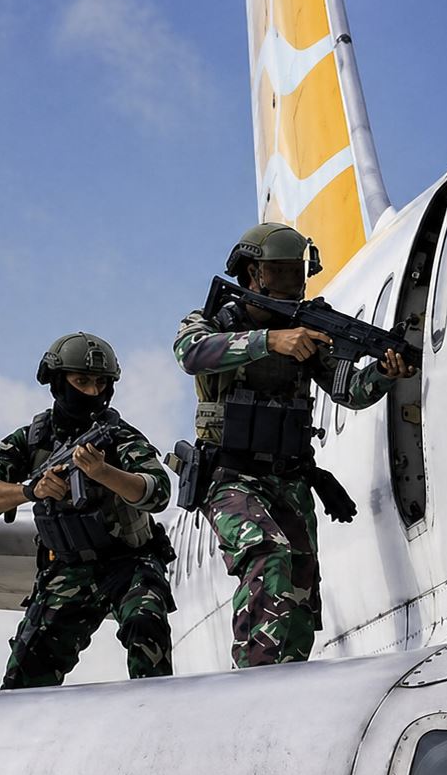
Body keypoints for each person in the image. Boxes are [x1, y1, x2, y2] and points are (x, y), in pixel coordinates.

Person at [174, 223, 416, 668]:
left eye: (296, 273)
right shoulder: (217, 322)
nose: (292, 282)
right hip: (231, 476)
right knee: (267, 553)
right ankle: (254, 676)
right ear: (252, 273)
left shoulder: (305, 329)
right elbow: (191, 352)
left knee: (300, 593)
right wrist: (270, 341)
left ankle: (290, 681)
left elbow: (349, 391)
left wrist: (384, 372)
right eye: (279, 272)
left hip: (289, 479)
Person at [0, 332, 176, 687]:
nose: (92, 392)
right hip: (66, 569)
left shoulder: (119, 437)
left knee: (146, 625)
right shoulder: (32, 440)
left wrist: (103, 473)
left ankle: (157, 710)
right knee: (25, 675)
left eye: (100, 384)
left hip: (129, 563)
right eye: (82, 382)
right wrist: (30, 490)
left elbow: (157, 492)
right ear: (58, 382)